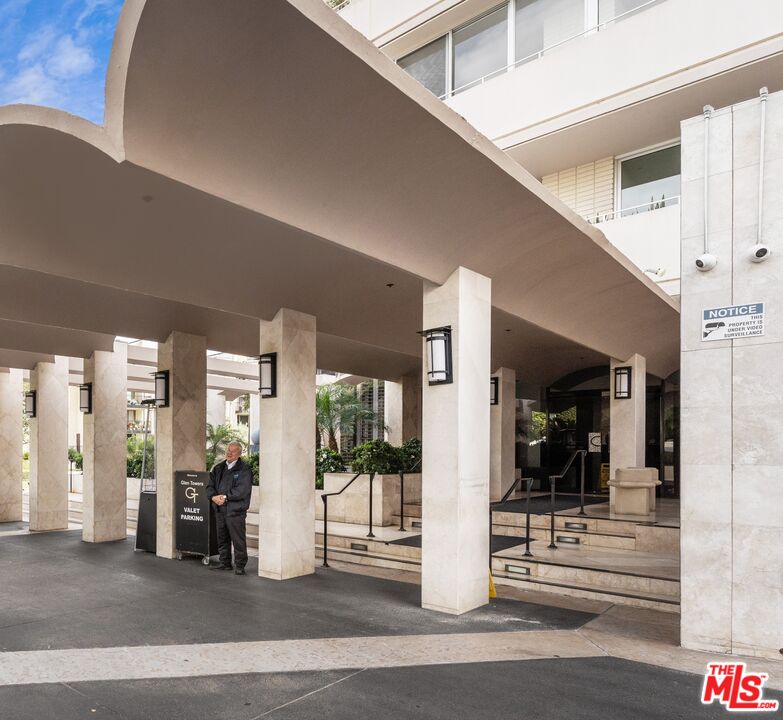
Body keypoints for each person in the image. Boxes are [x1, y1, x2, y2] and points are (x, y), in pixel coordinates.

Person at [206, 441, 252, 575]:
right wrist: (213, 497)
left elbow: (242, 490)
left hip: (235, 511)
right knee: (222, 538)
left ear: (239, 453)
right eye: (228, 450)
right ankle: (224, 562)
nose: (229, 453)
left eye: (233, 451)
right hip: (220, 510)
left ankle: (240, 565)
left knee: (238, 540)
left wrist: (225, 497)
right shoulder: (218, 468)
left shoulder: (244, 469)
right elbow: (210, 486)